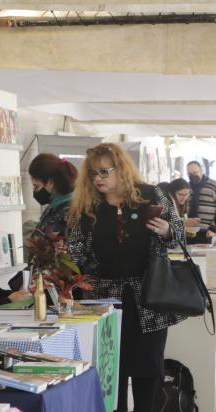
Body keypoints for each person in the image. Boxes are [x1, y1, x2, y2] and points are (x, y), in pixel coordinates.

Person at [68, 143, 185, 412]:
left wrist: (167, 231)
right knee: (110, 373)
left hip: (149, 297)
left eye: (104, 171)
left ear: (121, 169)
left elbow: (178, 234)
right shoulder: (88, 205)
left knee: (149, 372)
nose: (97, 179)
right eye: (92, 173)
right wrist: (90, 274)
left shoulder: (151, 195)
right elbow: (75, 249)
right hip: (104, 300)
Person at [29, 153, 78, 238]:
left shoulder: (70, 213)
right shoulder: (52, 207)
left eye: (36, 186)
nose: (35, 191)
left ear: (50, 182)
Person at [186, 160, 216, 239]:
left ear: (201, 171)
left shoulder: (213, 185)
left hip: (208, 232)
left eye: (195, 172)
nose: (193, 175)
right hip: (189, 232)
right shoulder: (187, 187)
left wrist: (214, 228)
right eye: (190, 174)